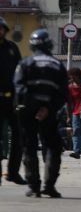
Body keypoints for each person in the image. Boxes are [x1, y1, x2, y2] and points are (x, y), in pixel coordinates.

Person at [14, 29, 68, 197]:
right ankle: (49, 186)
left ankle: (34, 187)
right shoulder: (58, 64)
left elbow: (19, 87)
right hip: (49, 112)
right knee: (53, 146)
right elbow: (63, 93)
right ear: (50, 45)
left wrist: (32, 106)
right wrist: (47, 108)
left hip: (28, 111)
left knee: (29, 146)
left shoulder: (25, 63)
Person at [0, 16, 26, 185]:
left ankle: (13, 172)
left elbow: (20, 71)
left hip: (11, 100)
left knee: (18, 136)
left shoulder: (12, 48)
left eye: (2, 28)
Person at [68, 67, 81, 159]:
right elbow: (69, 102)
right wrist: (69, 116)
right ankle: (76, 151)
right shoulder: (70, 87)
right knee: (76, 131)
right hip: (75, 112)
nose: (71, 78)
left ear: (77, 76)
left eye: (72, 76)